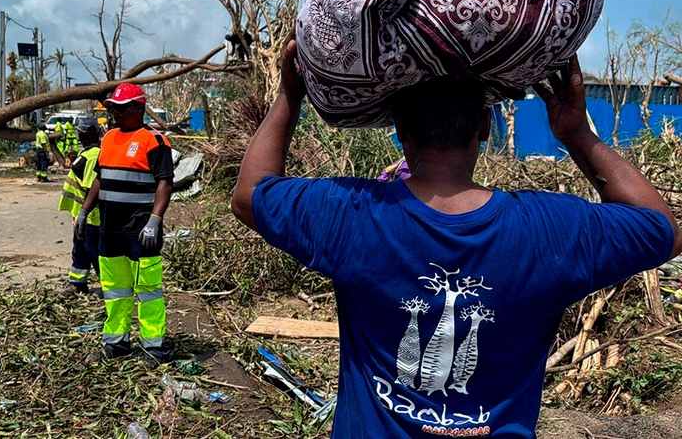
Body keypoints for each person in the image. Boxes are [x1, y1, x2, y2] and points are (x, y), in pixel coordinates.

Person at [231, 32, 682, 439]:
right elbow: (661, 228)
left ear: (399, 129)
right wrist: (577, 133)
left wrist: (290, 95)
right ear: (484, 127)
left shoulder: (353, 214)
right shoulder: (551, 229)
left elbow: (250, 195)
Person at [77, 83, 174, 362]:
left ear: (138, 109)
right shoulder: (109, 138)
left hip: (140, 230)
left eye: (121, 109)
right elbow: (100, 178)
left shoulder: (153, 141)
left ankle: (154, 347)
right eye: (113, 109)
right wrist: (84, 211)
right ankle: (117, 343)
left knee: (148, 290)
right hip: (110, 230)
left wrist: (155, 220)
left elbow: (165, 182)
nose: (116, 114)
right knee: (115, 291)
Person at [58, 118, 102, 294]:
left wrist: (84, 213)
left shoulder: (93, 156)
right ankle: (77, 283)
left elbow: (92, 187)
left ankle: (109, 286)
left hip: (92, 217)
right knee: (80, 250)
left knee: (95, 252)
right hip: (82, 215)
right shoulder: (88, 153)